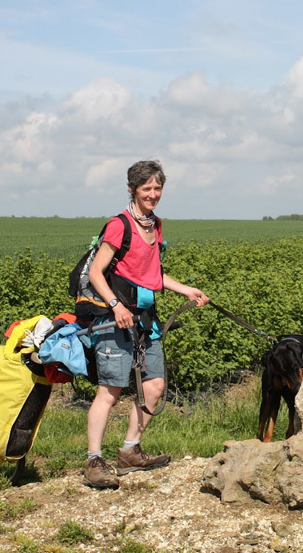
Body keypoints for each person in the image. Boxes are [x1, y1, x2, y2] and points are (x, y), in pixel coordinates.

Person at [82, 160, 209, 489]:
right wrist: (115, 305)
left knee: (154, 387)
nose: (153, 194)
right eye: (146, 189)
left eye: (157, 188)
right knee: (109, 392)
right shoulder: (119, 225)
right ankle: (94, 460)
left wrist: (186, 289)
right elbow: (97, 273)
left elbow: (152, 275)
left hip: (144, 321)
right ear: (132, 190)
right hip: (114, 320)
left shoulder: (155, 225)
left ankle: (129, 453)